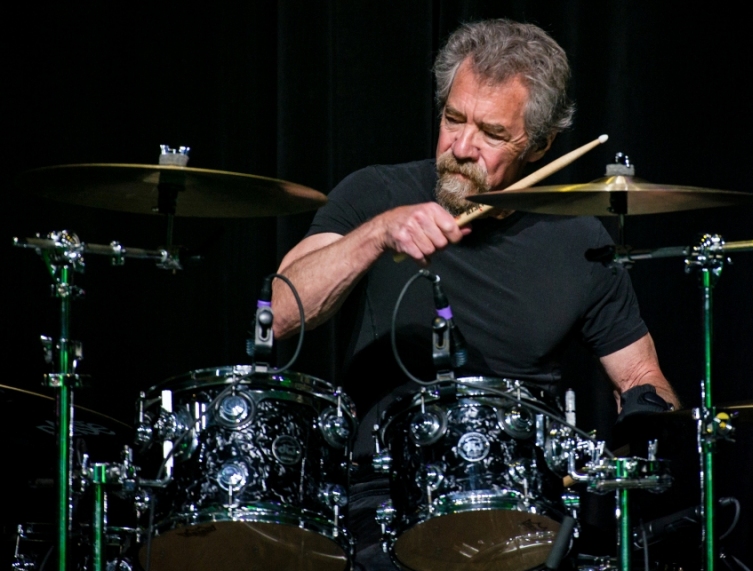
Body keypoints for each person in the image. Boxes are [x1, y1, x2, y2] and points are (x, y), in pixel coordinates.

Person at [272, 18, 680, 571]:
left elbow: (642, 378)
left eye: (491, 133)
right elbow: (280, 313)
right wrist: (376, 234)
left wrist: (647, 420)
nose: (461, 147)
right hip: (383, 499)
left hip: (525, 510)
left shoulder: (581, 240)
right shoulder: (376, 192)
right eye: (452, 119)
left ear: (539, 145)